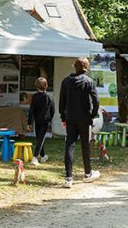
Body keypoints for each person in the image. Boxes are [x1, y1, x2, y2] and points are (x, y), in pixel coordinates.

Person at [59, 57, 101, 187]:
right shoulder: (89, 81)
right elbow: (96, 101)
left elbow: (62, 102)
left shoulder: (66, 81)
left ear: (74, 67)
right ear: (86, 68)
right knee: (85, 146)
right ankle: (88, 173)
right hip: (84, 118)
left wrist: (63, 118)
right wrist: (92, 115)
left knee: (69, 146)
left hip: (70, 117)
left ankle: (68, 178)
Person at [27, 77, 55, 165]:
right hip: (45, 120)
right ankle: (42, 156)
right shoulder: (49, 96)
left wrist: (29, 122)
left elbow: (31, 110)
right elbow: (53, 110)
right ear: (46, 85)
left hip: (37, 120)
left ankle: (35, 157)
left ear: (36, 86)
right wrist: (50, 119)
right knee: (40, 139)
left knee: (40, 138)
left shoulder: (35, 97)